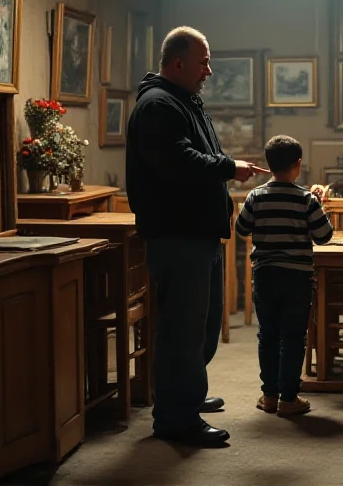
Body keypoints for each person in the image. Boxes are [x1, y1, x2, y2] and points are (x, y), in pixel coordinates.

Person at [126, 26, 260, 446]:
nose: (209, 70)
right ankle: (176, 418)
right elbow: (178, 162)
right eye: (203, 62)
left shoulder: (182, 100)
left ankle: (187, 397)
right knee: (183, 329)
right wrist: (228, 168)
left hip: (196, 234)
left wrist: (223, 167)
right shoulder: (158, 105)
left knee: (200, 325)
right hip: (177, 234)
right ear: (178, 62)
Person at [234, 135, 334, 417]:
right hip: (297, 278)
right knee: (293, 337)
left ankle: (268, 395)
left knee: (267, 335)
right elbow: (324, 236)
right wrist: (319, 204)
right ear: (298, 164)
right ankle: (288, 398)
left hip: (264, 275)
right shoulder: (305, 199)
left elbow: (241, 229)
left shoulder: (255, 197)